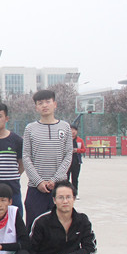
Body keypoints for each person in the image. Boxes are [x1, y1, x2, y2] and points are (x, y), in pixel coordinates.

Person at [22, 90, 72, 229]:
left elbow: (68, 155)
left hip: (59, 188)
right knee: (34, 228)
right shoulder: (30, 128)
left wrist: (55, 179)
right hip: (36, 188)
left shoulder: (65, 127)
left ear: (55, 104)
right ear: (36, 107)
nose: (44, 105)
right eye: (40, 103)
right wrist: (38, 181)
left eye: (48, 102)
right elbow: (26, 156)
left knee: (60, 227)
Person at [69, 125, 85, 197]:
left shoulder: (80, 140)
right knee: (66, 179)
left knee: (75, 178)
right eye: (71, 130)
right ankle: (66, 193)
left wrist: (77, 150)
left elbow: (84, 150)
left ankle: (75, 193)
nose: (73, 132)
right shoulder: (66, 140)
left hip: (76, 162)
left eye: (74, 130)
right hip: (67, 162)